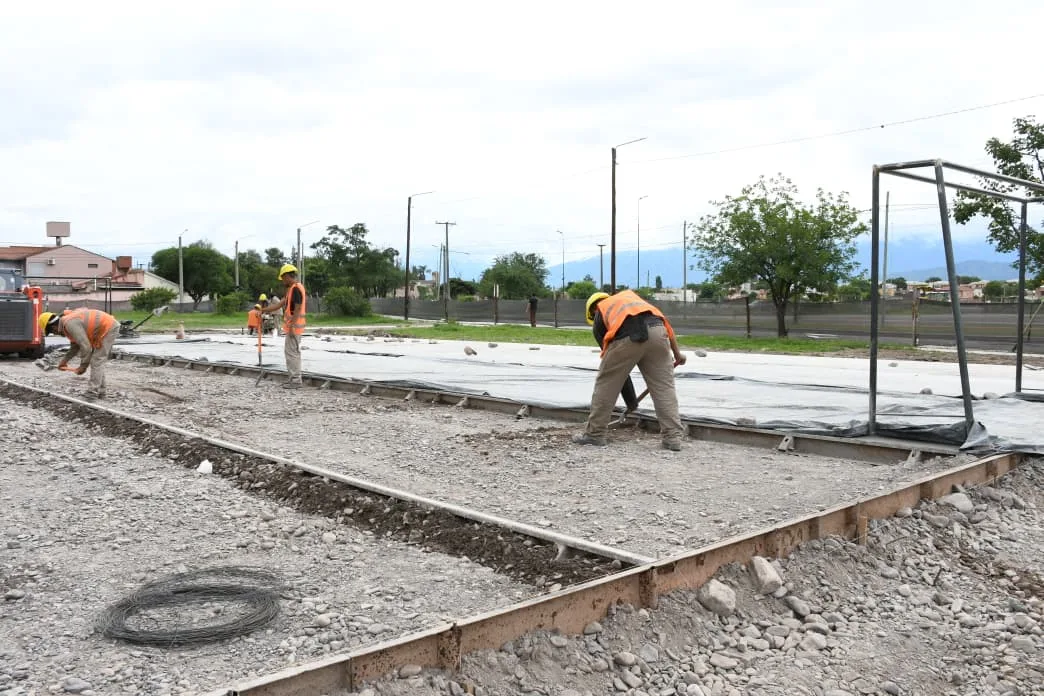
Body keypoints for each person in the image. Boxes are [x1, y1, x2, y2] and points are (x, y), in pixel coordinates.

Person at [572, 290, 687, 451]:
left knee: (606, 383)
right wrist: (677, 354)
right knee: (664, 388)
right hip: (658, 332)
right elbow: (667, 326)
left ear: (592, 311)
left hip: (628, 336)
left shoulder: (601, 311)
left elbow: (617, 375)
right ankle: (673, 438)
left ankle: (595, 434)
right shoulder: (631, 300)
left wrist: (631, 403)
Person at [38, 308, 120, 399]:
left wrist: (83, 366)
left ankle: (92, 393)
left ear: (53, 327)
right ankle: (101, 392)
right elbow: (75, 347)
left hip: (108, 327)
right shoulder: (67, 324)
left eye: (53, 332)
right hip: (102, 329)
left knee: (97, 360)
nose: (56, 334)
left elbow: (86, 347)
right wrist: (64, 361)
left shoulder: (70, 324)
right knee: (97, 362)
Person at [257, 264, 307, 389]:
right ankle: (293, 379)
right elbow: (279, 305)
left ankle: (296, 381)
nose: (282, 281)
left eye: (283, 278)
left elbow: (297, 308)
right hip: (293, 327)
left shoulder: (296, 289)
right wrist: (263, 310)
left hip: (294, 328)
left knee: (292, 353)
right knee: (291, 352)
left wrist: (292, 326)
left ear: (287, 276)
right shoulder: (291, 290)